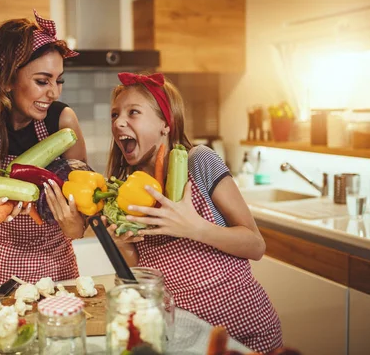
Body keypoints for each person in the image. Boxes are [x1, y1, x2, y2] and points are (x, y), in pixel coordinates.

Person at [104, 72, 283, 353]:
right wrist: (122, 246)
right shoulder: (125, 190)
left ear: (166, 123)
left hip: (247, 332)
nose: (118, 122)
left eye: (133, 112)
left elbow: (256, 245)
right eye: (115, 114)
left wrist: (194, 228)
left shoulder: (198, 162)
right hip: (185, 337)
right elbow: (140, 280)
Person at [0, 10, 88, 289]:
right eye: (42, 81)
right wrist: (0, 195)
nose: (54, 93)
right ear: (7, 79)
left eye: (58, 80)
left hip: (56, 268)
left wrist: (74, 223)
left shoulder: (62, 123)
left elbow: (81, 220)